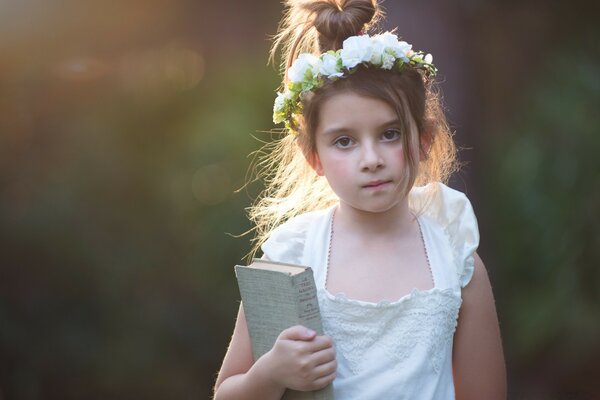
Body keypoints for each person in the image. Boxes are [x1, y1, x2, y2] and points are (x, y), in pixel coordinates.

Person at [214, 0, 506, 398]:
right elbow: (227, 392)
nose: (371, 160)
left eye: (389, 134)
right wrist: (271, 372)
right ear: (313, 156)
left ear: (423, 139)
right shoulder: (292, 256)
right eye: (344, 141)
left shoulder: (454, 256)